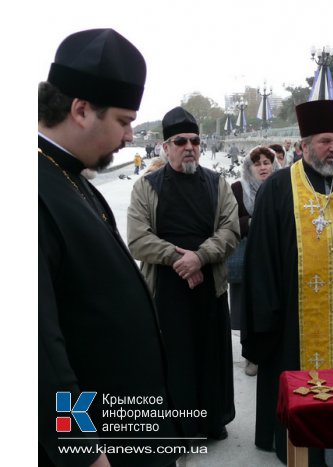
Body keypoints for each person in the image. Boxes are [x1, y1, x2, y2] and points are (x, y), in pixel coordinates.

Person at [39, 28, 181, 467]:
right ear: (81, 110)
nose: (129, 136)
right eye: (123, 120)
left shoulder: (71, 177)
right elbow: (41, 352)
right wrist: (84, 451)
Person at [240, 99, 333, 465]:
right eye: (326, 141)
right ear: (304, 144)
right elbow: (260, 257)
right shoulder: (278, 187)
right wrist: (268, 312)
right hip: (296, 316)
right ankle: (301, 445)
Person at [127, 106, 240, 441]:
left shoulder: (217, 184)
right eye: (180, 141)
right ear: (166, 146)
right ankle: (178, 429)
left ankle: (211, 422)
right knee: (174, 360)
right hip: (166, 289)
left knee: (210, 356)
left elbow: (230, 230)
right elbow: (137, 239)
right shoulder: (146, 186)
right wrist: (181, 259)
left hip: (210, 286)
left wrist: (200, 258)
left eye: (194, 140)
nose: (189, 146)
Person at [229, 146, 281, 377]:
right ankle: (250, 355)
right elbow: (228, 223)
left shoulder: (282, 186)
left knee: (274, 306)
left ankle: (274, 352)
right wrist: (251, 223)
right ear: (248, 167)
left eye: (267, 162)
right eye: (257, 163)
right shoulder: (237, 189)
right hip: (248, 258)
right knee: (247, 308)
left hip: (275, 258)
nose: (262, 167)